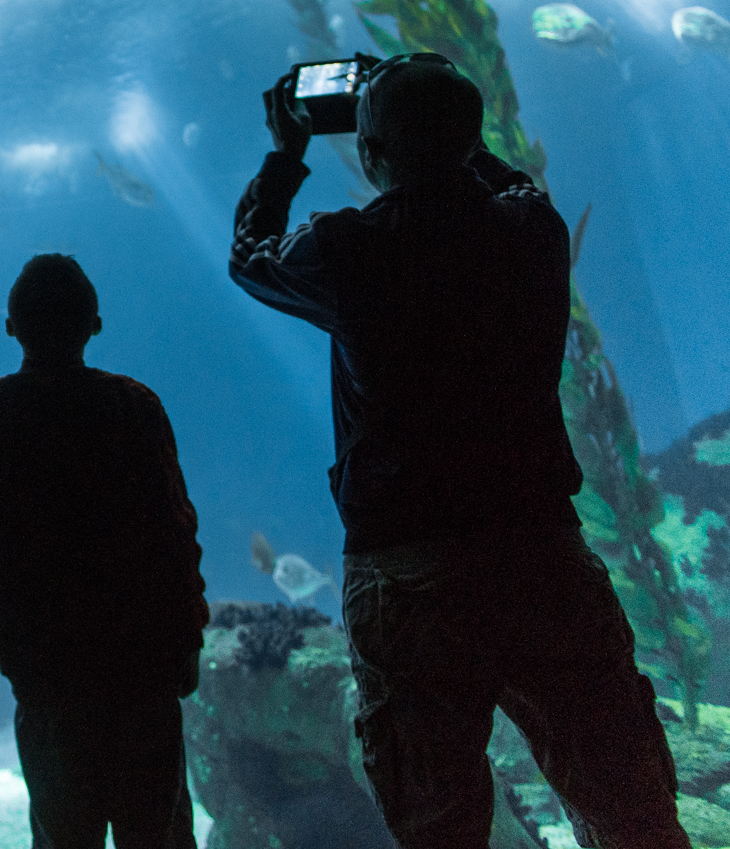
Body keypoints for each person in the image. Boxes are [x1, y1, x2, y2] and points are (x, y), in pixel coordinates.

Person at [229, 53, 687, 849]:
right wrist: (441, 120)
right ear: (471, 137)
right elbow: (515, 184)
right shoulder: (530, 230)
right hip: (539, 551)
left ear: (370, 154)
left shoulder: (347, 248)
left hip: (407, 574)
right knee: (630, 807)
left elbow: (252, 255)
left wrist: (286, 154)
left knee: (439, 824)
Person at [0, 254, 206, 849]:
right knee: (159, 832)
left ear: (10, 326)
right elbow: (175, 533)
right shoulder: (134, 404)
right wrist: (187, 637)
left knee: (64, 833)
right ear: (96, 324)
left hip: (46, 673)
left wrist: (5, 635)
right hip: (144, 668)